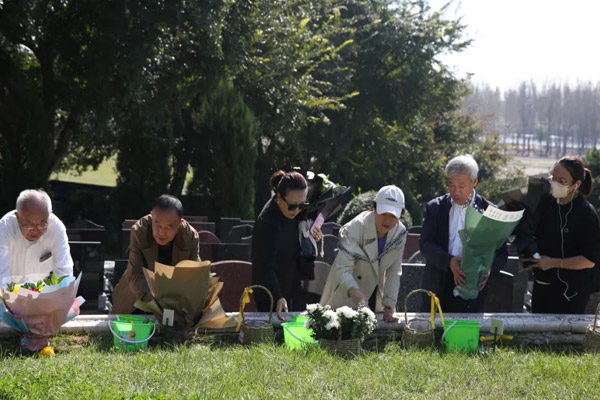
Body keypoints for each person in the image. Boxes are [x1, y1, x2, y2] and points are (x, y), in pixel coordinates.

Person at [419, 155, 507, 312]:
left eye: (461, 186)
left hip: (473, 286)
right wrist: (449, 261)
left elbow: (501, 252)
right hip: (438, 282)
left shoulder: (489, 211)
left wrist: (488, 268)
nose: (456, 191)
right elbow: (425, 244)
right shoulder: (435, 208)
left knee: (467, 334)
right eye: (451, 185)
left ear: (474, 182)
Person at [517, 156, 600, 314]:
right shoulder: (546, 204)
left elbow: (589, 261)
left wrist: (554, 263)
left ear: (576, 184)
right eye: (553, 178)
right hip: (541, 286)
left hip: (571, 292)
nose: (555, 183)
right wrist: (526, 257)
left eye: (562, 181)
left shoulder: (586, 213)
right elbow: (532, 234)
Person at [320, 185, 407, 322]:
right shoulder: (355, 227)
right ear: (374, 208)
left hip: (374, 295)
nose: (387, 220)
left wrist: (389, 306)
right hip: (346, 291)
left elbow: (394, 271)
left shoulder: (400, 234)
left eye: (393, 215)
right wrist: (358, 296)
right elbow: (342, 269)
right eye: (383, 213)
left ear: (401, 214)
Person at [251, 170, 322, 320]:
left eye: (302, 205)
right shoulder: (267, 223)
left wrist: (311, 235)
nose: (296, 211)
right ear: (279, 197)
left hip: (292, 280)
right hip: (270, 288)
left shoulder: (294, 211)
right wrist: (278, 297)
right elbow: (265, 266)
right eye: (292, 206)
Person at [112, 194, 200, 314]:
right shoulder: (139, 231)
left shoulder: (190, 237)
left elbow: (195, 275)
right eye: (157, 225)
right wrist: (157, 305)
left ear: (180, 224)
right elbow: (135, 273)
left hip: (173, 296)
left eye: (169, 226)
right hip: (138, 289)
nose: (162, 232)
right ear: (151, 216)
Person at [0, 189, 73, 285]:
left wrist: (60, 296)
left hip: (41, 291)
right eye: (28, 224)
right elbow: (1, 274)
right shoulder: (5, 227)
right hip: (8, 289)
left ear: (48, 216)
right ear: (18, 217)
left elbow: (64, 271)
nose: (35, 230)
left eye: (42, 223)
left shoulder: (56, 228)